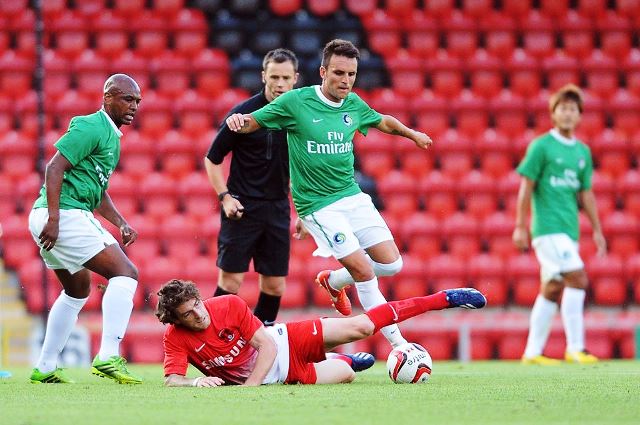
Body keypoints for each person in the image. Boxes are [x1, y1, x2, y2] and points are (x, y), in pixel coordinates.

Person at [226, 39, 432, 349]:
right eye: (339, 73)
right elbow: (255, 121)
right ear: (323, 71)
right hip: (319, 206)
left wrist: (411, 133)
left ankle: (333, 281)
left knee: (392, 265)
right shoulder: (296, 103)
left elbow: (382, 121)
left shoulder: (354, 104)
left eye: (351, 74)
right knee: (363, 271)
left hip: (352, 196)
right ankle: (400, 346)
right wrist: (237, 121)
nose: (346, 81)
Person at [28, 74, 143, 384]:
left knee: (77, 290)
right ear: (107, 98)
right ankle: (107, 356)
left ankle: (46, 367)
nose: (134, 106)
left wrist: (120, 222)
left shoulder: (112, 136)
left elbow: (97, 190)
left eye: (137, 101)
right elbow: (55, 167)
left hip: (59, 214)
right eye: (127, 99)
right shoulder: (91, 126)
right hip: (63, 214)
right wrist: (55, 219)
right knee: (126, 273)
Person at [156, 279, 486, 387]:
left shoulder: (226, 304)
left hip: (285, 341)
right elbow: (172, 380)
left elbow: (266, 346)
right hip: (285, 376)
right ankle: (343, 360)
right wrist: (195, 381)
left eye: (197, 304)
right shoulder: (175, 338)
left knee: (362, 325)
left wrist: (249, 388)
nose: (199, 314)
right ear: (177, 320)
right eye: (189, 314)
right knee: (347, 375)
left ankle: (444, 298)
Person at [204, 49, 299, 326]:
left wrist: (303, 211)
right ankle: (212, 342)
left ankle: (260, 344)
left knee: (274, 286)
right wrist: (225, 198)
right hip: (242, 208)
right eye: (274, 77)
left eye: (285, 78)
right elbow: (212, 160)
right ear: (263, 76)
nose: (279, 84)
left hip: (278, 209)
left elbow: (302, 167)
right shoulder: (242, 115)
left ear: (295, 79)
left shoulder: (300, 117)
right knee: (231, 282)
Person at [512, 84, 606, 365]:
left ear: (579, 116)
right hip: (548, 228)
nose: (567, 114)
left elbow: (585, 193)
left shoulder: (582, 152)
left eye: (573, 109)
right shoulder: (541, 146)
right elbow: (526, 185)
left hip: (569, 229)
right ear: (553, 114)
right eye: (562, 108)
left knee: (552, 287)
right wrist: (520, 225)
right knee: (578, 278)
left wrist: (598, 230)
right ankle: (576, 347)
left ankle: (531, 353)